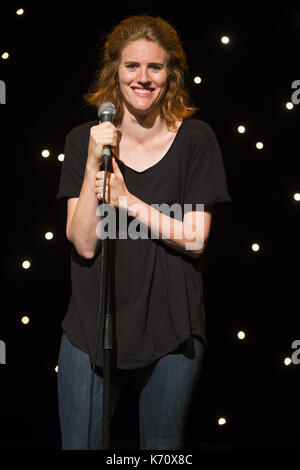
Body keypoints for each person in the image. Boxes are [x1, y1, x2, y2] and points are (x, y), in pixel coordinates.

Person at [56, 15, 231, 450]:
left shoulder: (196, 139)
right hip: (90, 326)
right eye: (132, 66)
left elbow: (195, 239)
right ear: (114, 70)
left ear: (171, 73)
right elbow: (83, 242)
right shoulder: (83, 140)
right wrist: (95, 159)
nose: (143, 78)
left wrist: (127, 200)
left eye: (155, 67)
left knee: (162, 450)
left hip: (171, 325)